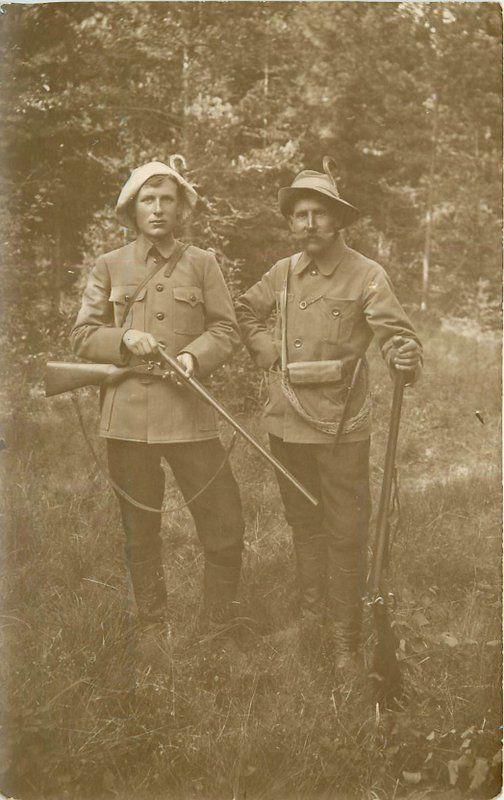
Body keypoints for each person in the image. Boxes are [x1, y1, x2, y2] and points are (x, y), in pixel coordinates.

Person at [236, 160, 422, 670]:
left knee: (346, 529)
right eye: (300, 215)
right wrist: (263, 347)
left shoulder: (367, 274)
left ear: (338, 220)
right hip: (285, 425)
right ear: (291, 223)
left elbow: (395, 334)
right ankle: (313, 617)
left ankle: (346, 635)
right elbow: (245, 311)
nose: (310, 223)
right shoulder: (282, 273)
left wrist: (403, 355)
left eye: (319, 213)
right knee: (303, 524)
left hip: (341, 428)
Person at [70, 161, 244, 660]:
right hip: (127, 420)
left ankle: (219, 627)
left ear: (181, 207)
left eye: (167, 199)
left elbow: (227, 330)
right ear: (132, 209)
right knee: (140, 529)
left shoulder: (202, 262)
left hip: (190, 416)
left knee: (225, 522)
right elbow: (81, 337)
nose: (158, 208)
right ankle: (151, 626)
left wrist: (192, 356)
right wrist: (124, 337)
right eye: (148, 199)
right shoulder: (109, 264)